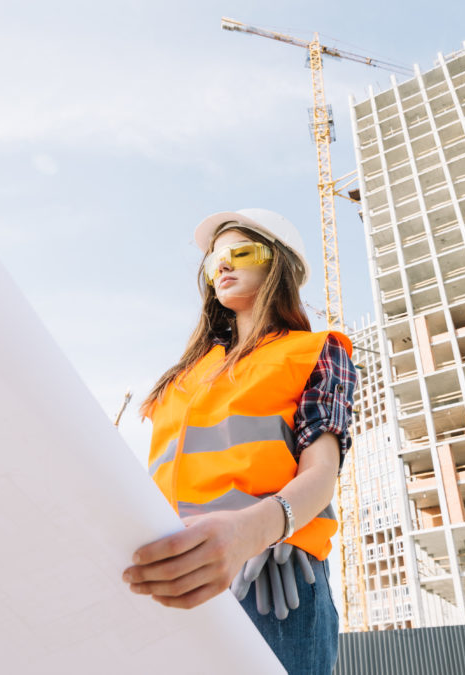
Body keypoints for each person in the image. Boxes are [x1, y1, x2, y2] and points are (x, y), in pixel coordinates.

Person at [122, 208, 356, 674]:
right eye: (213, 261)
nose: (222, 266)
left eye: (240, 252)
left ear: (278, 265)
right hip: (171, 573)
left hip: (270, 582)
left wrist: (253, 532)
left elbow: (322, 474)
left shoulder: (313, 350)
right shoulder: (184, 375)